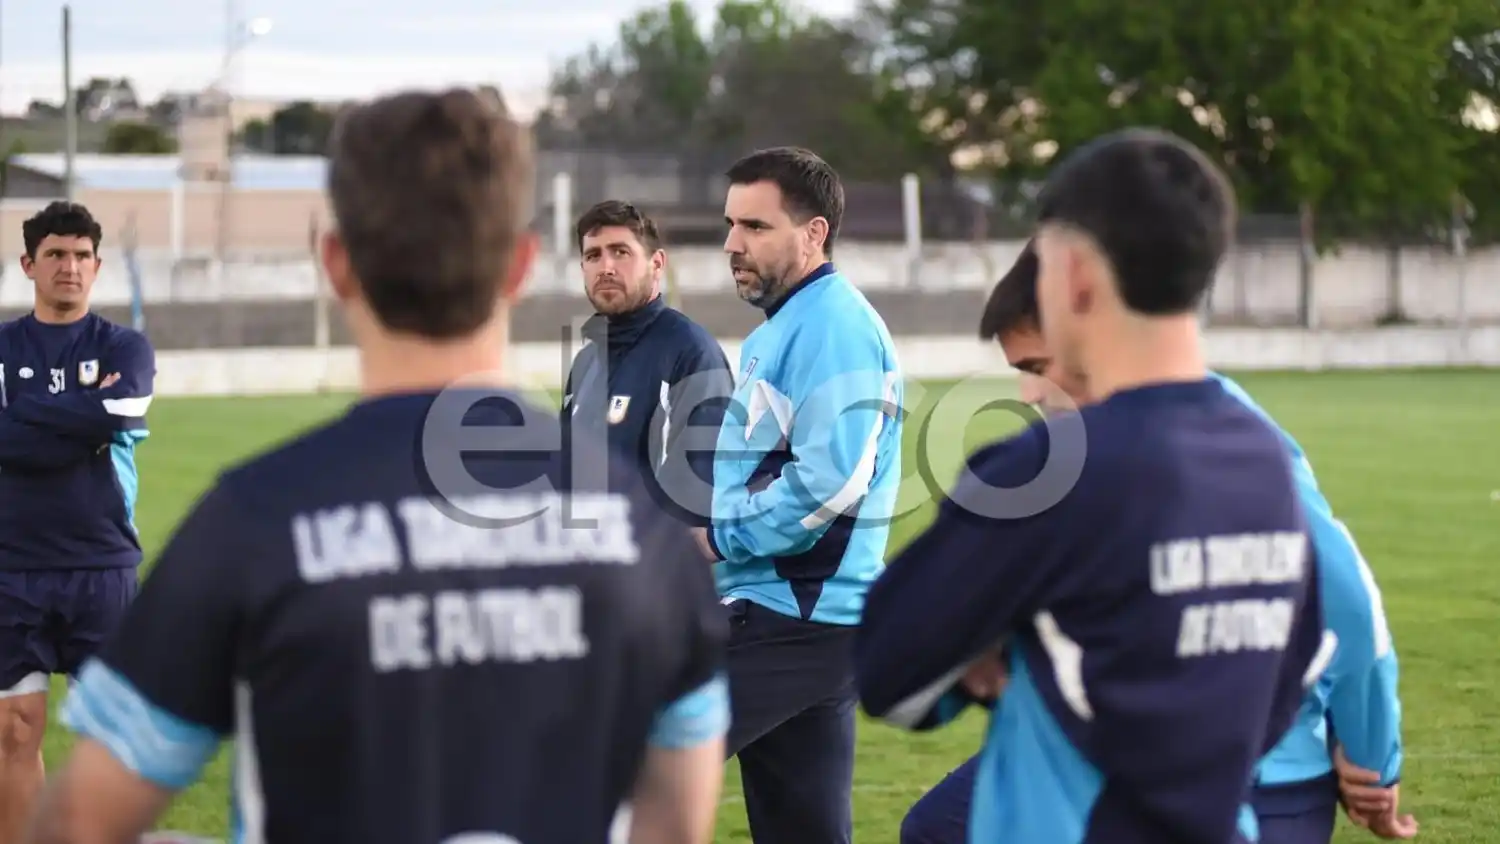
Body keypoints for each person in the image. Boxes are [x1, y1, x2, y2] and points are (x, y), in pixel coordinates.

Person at [25, 89, 728, 844]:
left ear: (336, 263)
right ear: (521, 264)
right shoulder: (645, 537)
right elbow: (678, 820)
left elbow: (78, 822)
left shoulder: (254, 522)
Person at [855, 128, 1330, 844]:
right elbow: (1283, 690)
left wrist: (1007, 654)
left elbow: (886, 669)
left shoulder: (1047, 471)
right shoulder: (1265, 456)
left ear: (1074, 273)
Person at [898, 243, 1414, 844]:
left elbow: (1350, 601)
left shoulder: (1221, 443)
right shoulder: (1084, 450)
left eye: (1038, 368)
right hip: (1112, 754)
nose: (1030, 395)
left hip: (1259, 776)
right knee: (936, 830)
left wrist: (1374, 759)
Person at [691, 146, 904, 844]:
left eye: (755, 226)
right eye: (731, 225)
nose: (732, 244)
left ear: (813, 234)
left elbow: (829, 484)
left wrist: (718, 537)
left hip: (796, 619)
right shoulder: (784, 325)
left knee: (622, 773)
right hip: (794, 614)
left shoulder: (834, 324)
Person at [0, 200, 155, 844]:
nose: (70, 266)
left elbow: (124, 407)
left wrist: (22, 421)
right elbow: (100, 415)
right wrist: (84, 421)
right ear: (29, 264)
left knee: (113, 745)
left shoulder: (124, 345)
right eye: (56, 254)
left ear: (97, 266)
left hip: (103, 564)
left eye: (82, 255)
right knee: (14, 731)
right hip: (11, 566)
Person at [561, 199, 732, 527]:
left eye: (620, 252)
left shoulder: (690, 353)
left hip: (651, 570)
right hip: (589, 564)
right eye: (593, 255)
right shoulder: (585, 362)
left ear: (657, 263)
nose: (606, 267)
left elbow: (699, 492)